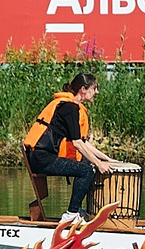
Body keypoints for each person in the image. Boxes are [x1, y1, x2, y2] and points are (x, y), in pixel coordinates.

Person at [22, 73, 111, 221]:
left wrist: (105, 159)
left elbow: (83, 142)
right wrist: (98, 163)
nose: (97, 92)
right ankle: (71, 214)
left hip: (41, 157)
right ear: (83, 89)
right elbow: (77, 143)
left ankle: (77, 211)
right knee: (86, 170)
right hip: (42, 159)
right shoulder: (69, 108)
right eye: (95, 88)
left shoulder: (69, 106)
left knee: (86, 164)